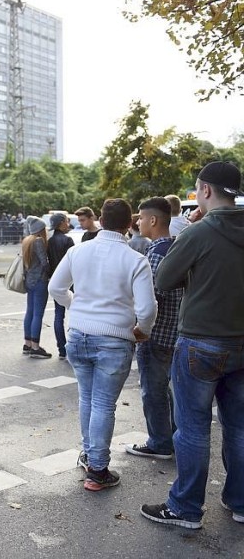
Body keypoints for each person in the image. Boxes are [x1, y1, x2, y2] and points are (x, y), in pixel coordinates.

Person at [141, 161, 244, 529]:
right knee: (239, 427)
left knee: (193, 427)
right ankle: (240, 501)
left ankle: (185, 508)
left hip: (201, 341)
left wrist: (195, 231)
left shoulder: (200, 232)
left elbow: (166, 278)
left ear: (204, 191)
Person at [49, 199, 156, 492]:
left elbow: (55, 288)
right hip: (115, 339)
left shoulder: (78, 251)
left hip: (79, 335)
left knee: (87, 398)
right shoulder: (135, 260)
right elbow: (147, 309)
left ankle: (88, 455)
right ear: (128, 225)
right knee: (104, 404)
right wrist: (141, 330)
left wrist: (75, 306)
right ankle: (97, 470)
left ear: (102, 221)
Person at [125, 197, 182, 461]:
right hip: (175, 332)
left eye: (140, 217)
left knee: (153, 390)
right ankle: (170, 434)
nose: (137, 222)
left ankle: (160, 444)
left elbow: (150, 299)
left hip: (156, 334)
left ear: (153, 220)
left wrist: (138, 328)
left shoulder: (155, 255)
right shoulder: (177, 247)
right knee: (164, 388)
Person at [22, 216, 51, 358]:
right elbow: (44, 262)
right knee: (38, 314)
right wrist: (51, 272)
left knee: (30, 312)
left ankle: (27, 344)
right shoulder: (38, 241)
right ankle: (35, 346)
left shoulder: (27, 241)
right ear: (40, 229)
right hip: (39, 280)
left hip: (29, 281)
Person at [46, 212, 74, 360]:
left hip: (56, 281)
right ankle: (72, 346)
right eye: (67, 221)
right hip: (70, 281)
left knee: (58, 316)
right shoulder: (68, 240)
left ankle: (61, 349)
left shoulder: (50, 241)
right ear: (61, 223)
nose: (68, 224)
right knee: (74, 314)